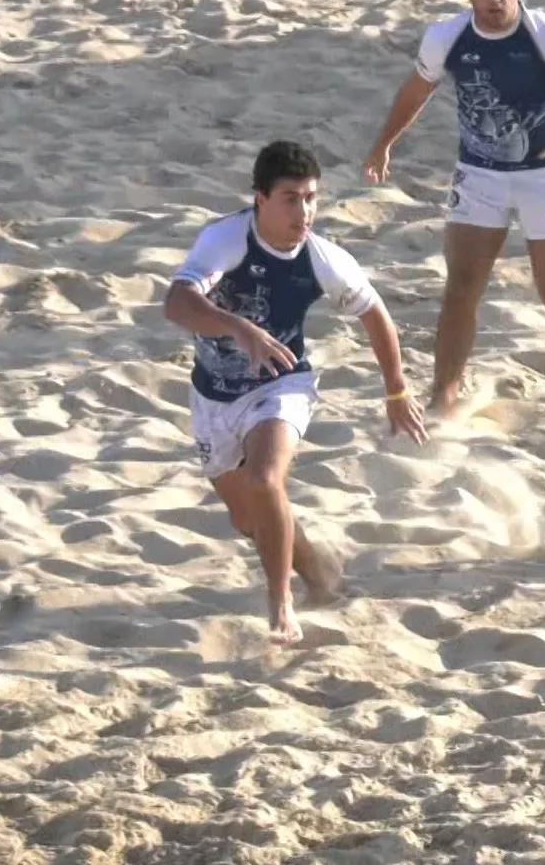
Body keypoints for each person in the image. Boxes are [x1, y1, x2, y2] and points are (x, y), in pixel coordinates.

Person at [164, 140, 428, 645]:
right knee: (250, 519)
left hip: (282, 385)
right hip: (213, 396)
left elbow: (376, 315)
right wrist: (236, 327)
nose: (304, 212)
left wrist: (396, 391)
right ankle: (320, 575)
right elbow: (176, 304)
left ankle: (281, 604)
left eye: (311, 198)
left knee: (266, 480)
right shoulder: (225, 240)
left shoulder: (321, 257)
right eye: (291, 198)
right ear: (260, 198)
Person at [364, 0, 545, 415]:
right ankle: (446, 390)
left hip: (544, 175)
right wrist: (384, 143)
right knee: (461, 286)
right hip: (478, 176)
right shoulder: (447, 37)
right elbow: (416, 91)